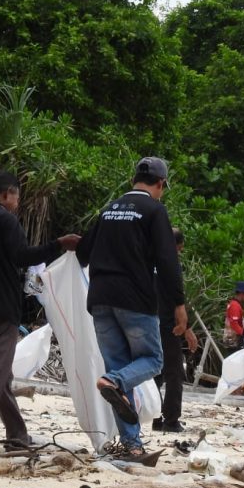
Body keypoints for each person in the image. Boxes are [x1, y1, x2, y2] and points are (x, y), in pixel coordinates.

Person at [0, 171, 79, 455]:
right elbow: (22, 256)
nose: (17, 203)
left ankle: (17, 434)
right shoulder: (4, 218)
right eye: (16, 197)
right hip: (0, 306)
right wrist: (59, 244)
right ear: (5, 194)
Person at [76, 157, 187, 459]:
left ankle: (132, 444)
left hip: (99, 299)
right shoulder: (154, 210)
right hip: (134, 299)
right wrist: (178, 303)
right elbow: (167, 261)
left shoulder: (108, 210)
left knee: (118, 369)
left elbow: (83, 253)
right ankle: (115, 383)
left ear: (133, 179)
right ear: (161, 184)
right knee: (151, 360)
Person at [153, 229, 198, 434]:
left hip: (149, 321)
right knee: (174, 373)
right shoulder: (170, 264)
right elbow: (176, 298)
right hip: (169, 324)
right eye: (179, 250)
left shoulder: (147, 260)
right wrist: (187, 329)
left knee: (156, 371)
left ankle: (154, 415)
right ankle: (171, 420)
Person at [223, 281, 244, 349]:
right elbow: (234, 324)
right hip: (233, 342)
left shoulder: (234, 304)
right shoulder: (235, 306)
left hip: (233, 340)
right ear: (242, 293)